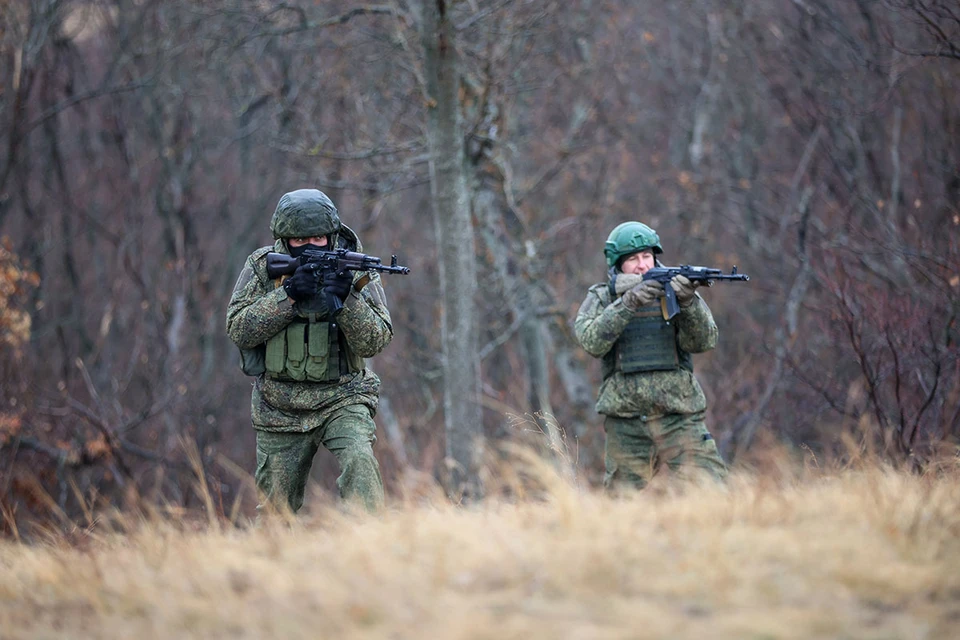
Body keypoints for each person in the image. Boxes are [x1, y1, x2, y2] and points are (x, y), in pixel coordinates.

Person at [226, 188, 393, 515]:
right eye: (300, 241)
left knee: (361, 463)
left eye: (318, 238)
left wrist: (347, 301)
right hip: (279, 405)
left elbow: (376, 340)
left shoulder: (354, 268)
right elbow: (238, 329)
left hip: (344, 395)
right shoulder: (264, 268)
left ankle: (372, 546)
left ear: (331, 237)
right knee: (276, 513)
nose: (310, 246)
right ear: (284, 241)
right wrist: (287, 296)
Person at [574, 221, 727, 490]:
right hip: (626, 420)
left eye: (647, 256)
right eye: (632, 259)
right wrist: (628, 303)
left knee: (711, 490)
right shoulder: (603, 297)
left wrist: (688, 302)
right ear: (617, 265)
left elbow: (704, 341)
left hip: (678, 414)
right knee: (621, 502)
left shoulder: (677, 291)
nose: (643, 265)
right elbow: (591, 342)